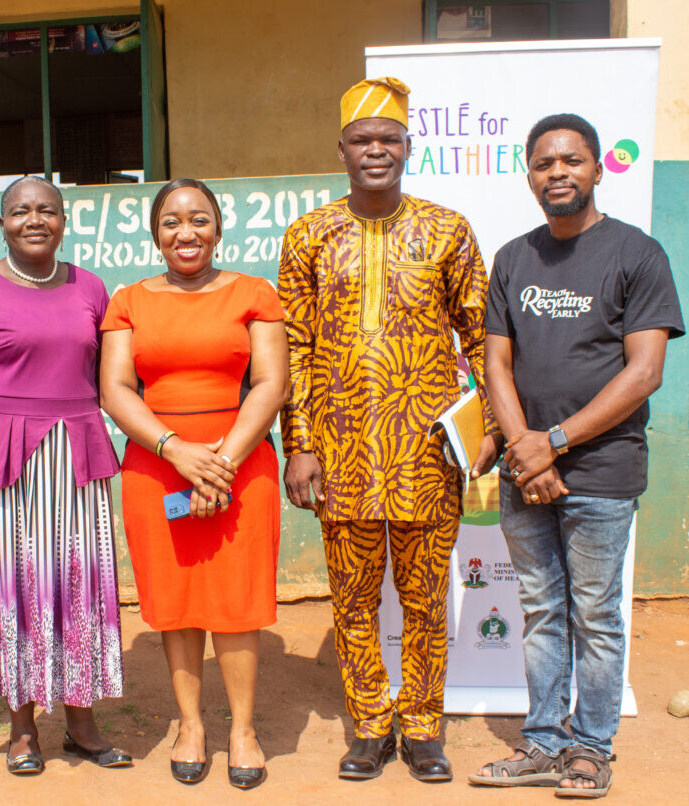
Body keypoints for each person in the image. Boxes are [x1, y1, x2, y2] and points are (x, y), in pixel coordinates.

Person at [278, 77, 500, 783]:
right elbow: (296, 346)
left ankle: (425, 728)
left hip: (426, 455)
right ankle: (372, 725)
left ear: (409, 146)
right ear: (340, 149)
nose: (376, 150)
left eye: (389, 139)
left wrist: (487, 428)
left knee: (426, 599)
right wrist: (300, 443)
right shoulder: (309, 234)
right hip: (340, 456)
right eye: (362, 140)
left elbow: (485, 336)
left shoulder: (448, 230)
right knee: (351, 600)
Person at [470, 114, 683, 798]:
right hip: (526, 474)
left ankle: (591, 749)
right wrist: (527, 455)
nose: (557, 172)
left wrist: (552, 443)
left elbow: (643, 372)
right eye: (543, 163)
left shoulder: (637, 253)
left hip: (602, 473)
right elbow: (496, 367)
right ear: (529, 175)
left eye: (571, 160)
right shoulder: (514, 257)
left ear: (596, 169)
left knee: (594, 612)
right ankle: (541, 742)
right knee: (539, 609)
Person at [0, 175, 130, 776]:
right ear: (2, 223)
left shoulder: (90, 287)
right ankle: (22, 727)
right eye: (20, 211)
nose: (34, 219)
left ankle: (81, 721)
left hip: (76, 464)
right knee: (15, 591)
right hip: (1, 470)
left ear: (65, 219)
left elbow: (114, 380)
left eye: (47, 209)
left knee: (79, 588)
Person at [99, 178, 288, 789]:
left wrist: (221, 462)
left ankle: (242, 729)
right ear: (155, 232)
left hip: (240, 462)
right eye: (174, 221)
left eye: (200, 220)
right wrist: (176, 451)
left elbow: (270, 384)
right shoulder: (128, 301)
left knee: (236, 604)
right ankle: (190, 725)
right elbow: (116, 389)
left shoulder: (255, 293)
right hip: (157, 467)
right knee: (176, 605)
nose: (187, 232)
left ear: (218, 229)